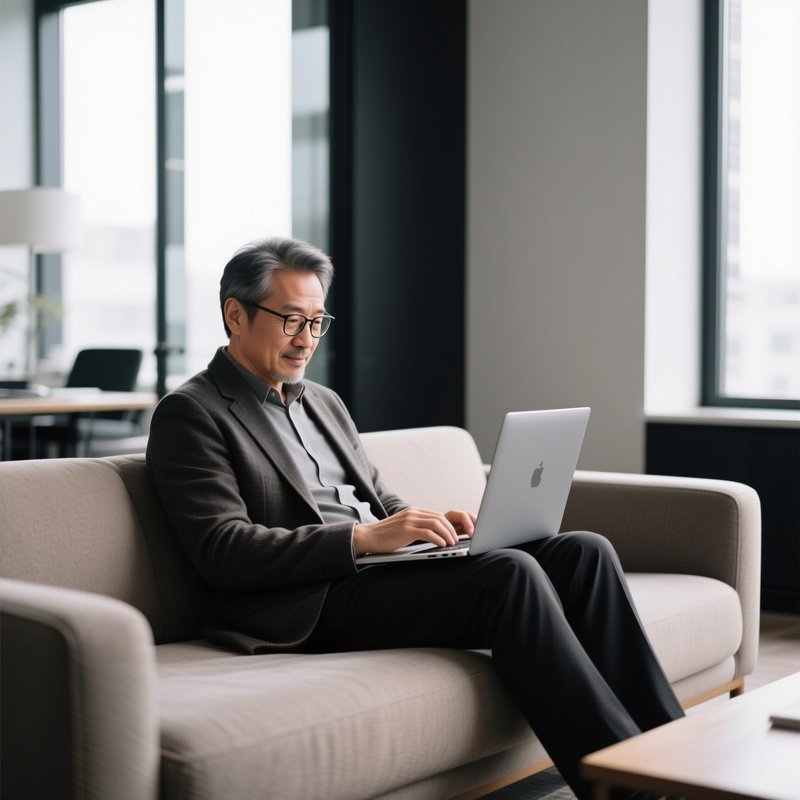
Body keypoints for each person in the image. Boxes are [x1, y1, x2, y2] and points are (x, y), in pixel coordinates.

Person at [146, 236, 684, 799]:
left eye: (317, 321)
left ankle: (681, 763)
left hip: (383, 568)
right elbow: (223, 550)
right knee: (508, 575)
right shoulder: (192, 413)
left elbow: (379, 497)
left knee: (584, 552)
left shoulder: (323, 401)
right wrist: (363, 539)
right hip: (310, 599)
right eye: (290, 320)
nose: (306, 339)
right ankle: (630, 794)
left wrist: (427, 524)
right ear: (236, 314)